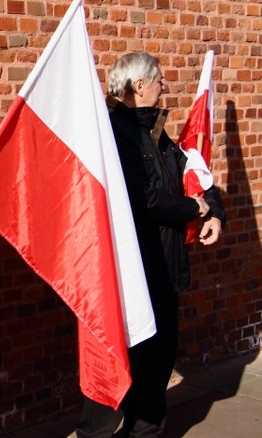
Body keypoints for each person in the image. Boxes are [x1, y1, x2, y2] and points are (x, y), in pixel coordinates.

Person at [76, 52, 225, 437]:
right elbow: (144, 200)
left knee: (156, 373)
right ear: (139, 86)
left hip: (164, 274)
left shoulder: (158, 135)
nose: (164, 86)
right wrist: (193, 207)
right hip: (131, 278)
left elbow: (196, 174)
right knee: (119, 376)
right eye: (159, 79)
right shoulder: (116, 134)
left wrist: (214, 213)